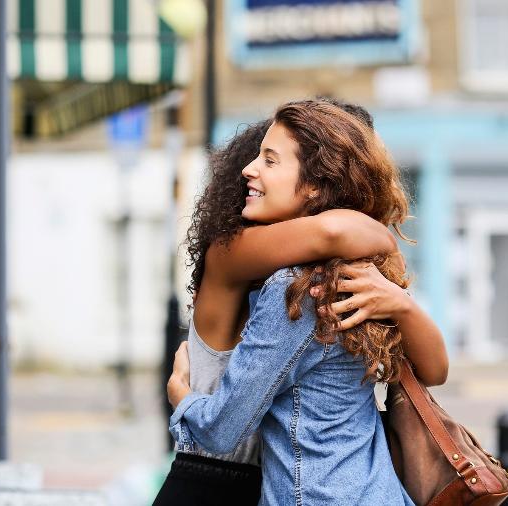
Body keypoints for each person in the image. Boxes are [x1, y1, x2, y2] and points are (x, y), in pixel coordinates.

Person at [164, 100, 447, 505]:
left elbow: (433, 370)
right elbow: (332, 230)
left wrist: (182, 402)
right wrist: (388, 250)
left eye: (270, 160)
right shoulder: (236, 254)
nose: (251, 169)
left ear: (317, 182)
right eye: (258, 156)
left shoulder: (306, 289)